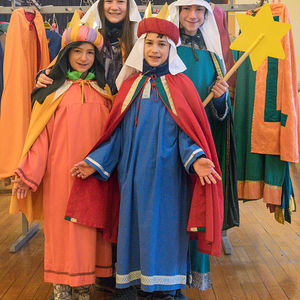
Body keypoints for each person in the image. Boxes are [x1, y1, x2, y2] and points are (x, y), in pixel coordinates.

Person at [67, 13, 224, 300]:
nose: (155, 50)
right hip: (133, 177)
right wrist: (95, 162)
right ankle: (136, 285)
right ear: (141, 46)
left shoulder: (182, 86)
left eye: (162, 45)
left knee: (165, 229)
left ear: (170, 51)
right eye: (149, 43)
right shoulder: (128, 86)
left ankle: (166, 288)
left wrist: (197, 158)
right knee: (134, 228)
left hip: (168, 179)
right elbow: (116, 134)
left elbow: (187, 134)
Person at [11, 24, 115, 300]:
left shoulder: (104, 92)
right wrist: (27, 174)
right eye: (77, 51)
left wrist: (100, 164)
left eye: (90, 52)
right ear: (65, 54)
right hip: (60, 176)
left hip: (95, 175)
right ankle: (61, 285)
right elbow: (40, 138)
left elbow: (112, 136)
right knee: (62, 229)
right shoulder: (52, 93)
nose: (83, 58)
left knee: (90, 227)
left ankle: (84, 284)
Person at [169, 0, 239, 291]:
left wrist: (221, 97)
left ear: (207, 15)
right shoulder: (165, 47)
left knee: (196, 208)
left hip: (201, 141)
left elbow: (221, 116)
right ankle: (167, 273)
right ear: (177, 12)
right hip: (169, 138)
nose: (192, 16)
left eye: (199, 11)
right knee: (170, 208)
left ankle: (193, 273)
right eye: (186, 9)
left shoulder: (213, 56)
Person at [37, 0, 141, 95]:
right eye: (109, 1)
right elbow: (62, 63)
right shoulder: (85, 33)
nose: (114, 7)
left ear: (128, 5)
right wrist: (44, 75)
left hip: (125, 108)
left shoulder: (138, 39)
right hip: (89, 102)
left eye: (121, 1)